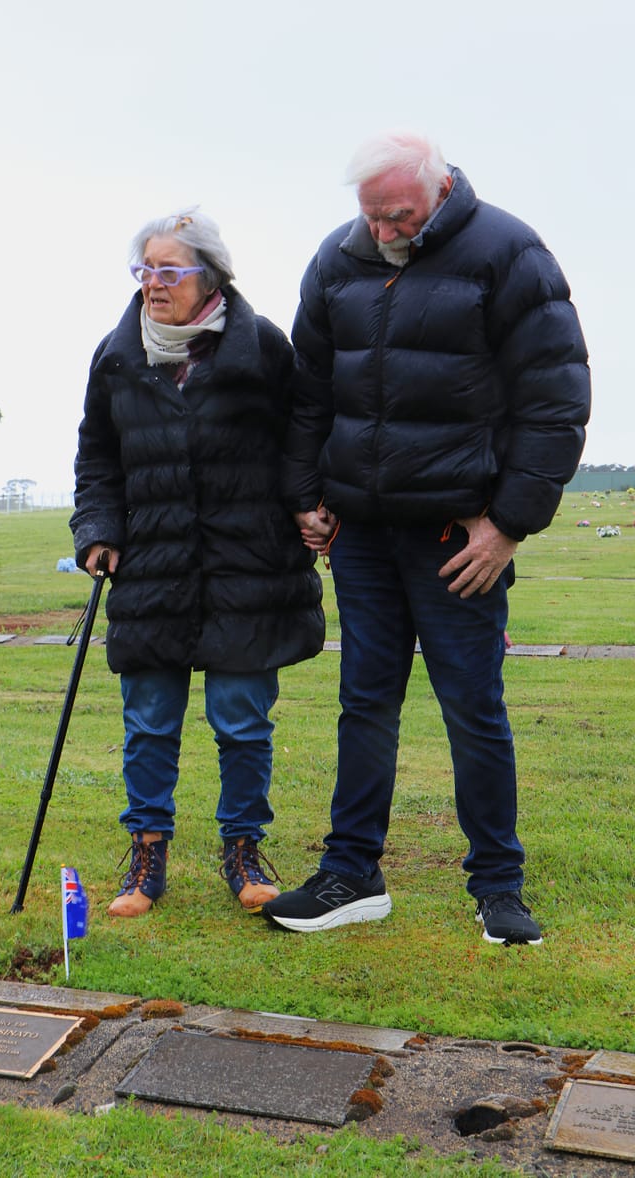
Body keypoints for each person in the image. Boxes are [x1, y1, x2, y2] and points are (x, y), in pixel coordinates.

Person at [262, 132, 591, 944]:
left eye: (398, 216)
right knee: (364, 703)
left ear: (440, 190)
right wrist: (306, 497)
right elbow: (309, 392)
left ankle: (498, 887)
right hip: (363, 537)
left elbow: (554, 400)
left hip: (458, 541)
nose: (382, 232)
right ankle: (351, 875)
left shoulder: (510, 254)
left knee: (473, 710)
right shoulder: (336, 259)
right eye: (370, 215)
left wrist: (508, 524)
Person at [70, 208, 325, 918]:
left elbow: (303, 438)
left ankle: (243, 850)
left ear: (209, 278)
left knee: (242, 720)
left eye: (168, 270)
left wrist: (309, 504)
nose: (152, 283)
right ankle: (147, 856)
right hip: (153, 568)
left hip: (249, 567)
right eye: (144, 269)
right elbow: (97, 458)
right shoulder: (117, 356)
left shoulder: (263, 348)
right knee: (149, 721)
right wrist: (97, 530)